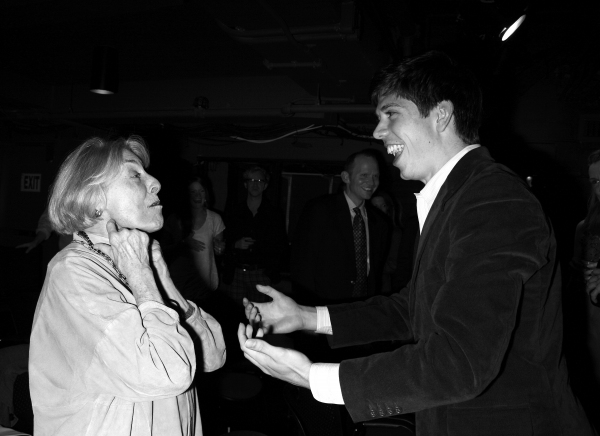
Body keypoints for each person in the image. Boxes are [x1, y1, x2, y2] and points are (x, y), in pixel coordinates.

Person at [237, 51, 594, 435]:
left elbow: (460, 362)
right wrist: (307, 317)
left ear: (440, 115)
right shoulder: (457, 198)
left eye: (390, 114)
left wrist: (312, 376)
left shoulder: (494, 199)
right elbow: (413, 308)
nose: (377, 131)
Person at [29, 136, 226, 436]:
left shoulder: (138, 264)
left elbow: (212, 357)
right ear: (95, 200)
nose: (155, 182)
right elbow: (168, 373)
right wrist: (144, 279)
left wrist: (162, 281)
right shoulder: (73, 273)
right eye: (135, 175)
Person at [291, 150, 390, 305]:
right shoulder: (320, 210)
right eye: (364, 175)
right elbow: (302, 265)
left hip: (363, 307)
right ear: (346, 177)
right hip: (325, 306)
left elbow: (375, 273)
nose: (371, 182)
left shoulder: (380, 223)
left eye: (375, 176)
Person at [567, 148, 600, 428]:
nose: (599, 188)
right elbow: (578, 267)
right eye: (594, 181)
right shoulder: (586, 227)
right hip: (590, 317)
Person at [221, 166, 288, 306]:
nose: (255, 184)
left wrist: (272, 270)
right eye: (251, 180)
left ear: (265, 185)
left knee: (261, 317)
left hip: (262, 273)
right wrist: (234, 245)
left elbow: (280, 245)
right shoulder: (234, 211)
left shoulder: (274, 213)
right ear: (245, 184)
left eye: (259, 180)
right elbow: (221, 241)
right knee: (236, 315)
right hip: (236, 272)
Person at [161, 176, 226, 305]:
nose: (198, 195)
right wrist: (184, 243)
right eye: (193, 191)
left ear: (206, 194)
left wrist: (220, 248)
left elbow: (219, 251)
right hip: (178, 286)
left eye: (201, 191)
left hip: (205, 286)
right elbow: (162, 250)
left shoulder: (215, 218)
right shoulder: (175, 219)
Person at [370, 191, 403, 295]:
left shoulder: (395, 233)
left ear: (389, 208)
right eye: (375, 206)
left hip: (383, 286)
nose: (379, 210)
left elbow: (393, 264)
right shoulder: (364, 230)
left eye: (383, 205)